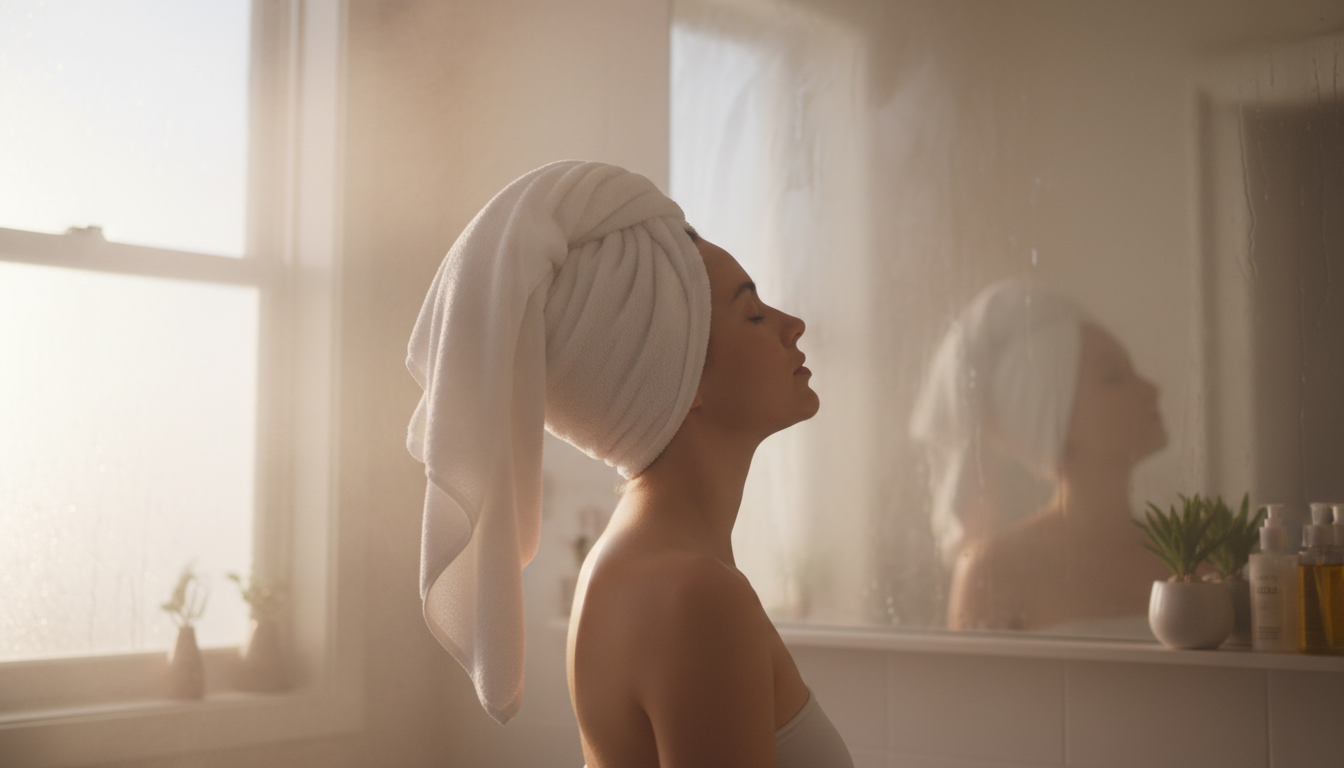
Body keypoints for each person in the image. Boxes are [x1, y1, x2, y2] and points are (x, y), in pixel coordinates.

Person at [407, 161, 853, 767]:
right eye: (753, 314)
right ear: (680, 375)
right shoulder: (696, 598)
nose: (792, 325)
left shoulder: (626, 566)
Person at [910, 280, 1168, 632]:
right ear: (1055, 418)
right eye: (1114, 377)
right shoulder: (994, 569)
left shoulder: (1190, 554)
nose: (1152, 388)